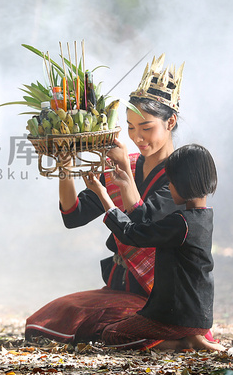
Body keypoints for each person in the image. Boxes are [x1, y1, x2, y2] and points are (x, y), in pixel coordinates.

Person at [25, 54, 215, 349]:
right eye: (130, 127)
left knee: (108, 330)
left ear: (171, 122)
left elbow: (142, 224)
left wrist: (124, 171)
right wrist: (65, 170)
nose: (137, 137)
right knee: (48, 320)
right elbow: (73, 216)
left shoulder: (180, 177)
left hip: (157, 292)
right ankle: (171, 339)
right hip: (118, 286)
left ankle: (178, 341)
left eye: (147, 128)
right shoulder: (129, 163)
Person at [81, 143, 221, 351]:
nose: (170, 187)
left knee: (112, 334)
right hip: (200, 317)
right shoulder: (203, 218)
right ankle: (193, 337)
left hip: (173, 316)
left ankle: (180, 343)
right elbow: (144, 224)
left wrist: (103, 194)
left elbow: (132, 234)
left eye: (171, 182)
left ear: (184, 183)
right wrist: (126, 183)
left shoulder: (180, 223)